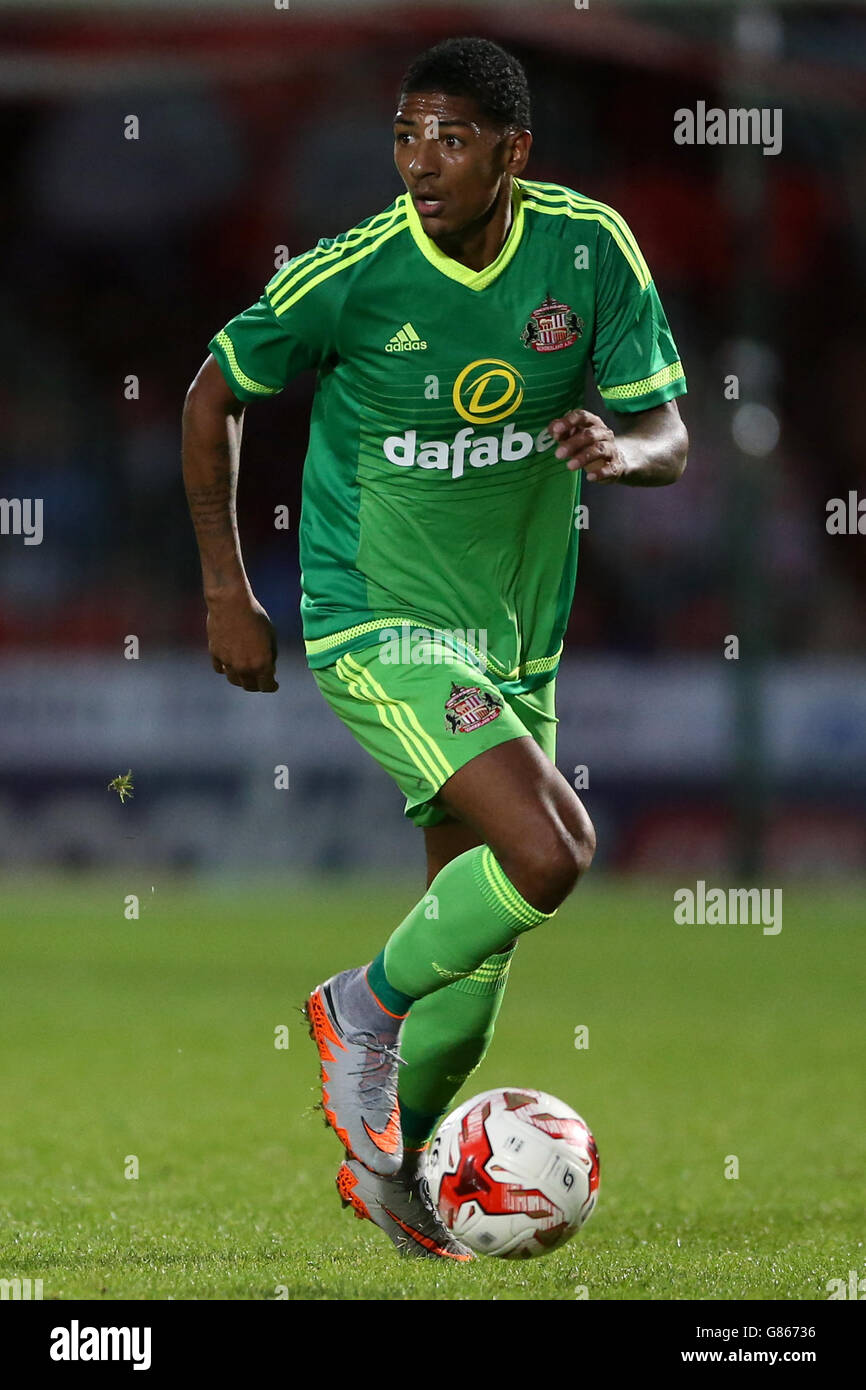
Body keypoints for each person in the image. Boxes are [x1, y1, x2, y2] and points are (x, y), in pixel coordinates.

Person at [182, 36, 688, 1260]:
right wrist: (224, 591)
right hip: (375, 618)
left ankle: (392, 1173)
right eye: (406, 136)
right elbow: (211, 393)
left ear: (512, 151)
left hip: (515, 644)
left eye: (450, 139)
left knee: (483, 956)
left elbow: (667, 426)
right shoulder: (355, 275)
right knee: (554, 846)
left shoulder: (585, 250)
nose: (420, 162)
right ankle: (357, 1006)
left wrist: (620, 453)